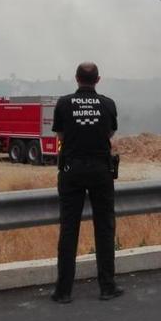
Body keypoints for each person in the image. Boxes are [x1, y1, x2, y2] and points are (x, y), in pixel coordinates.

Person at [50, 62, 122, 304]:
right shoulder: (108, 104)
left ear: (76, 78)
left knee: (69, 230)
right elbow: (109, 133)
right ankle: (107, 287)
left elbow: (60, 135)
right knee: (104, 228)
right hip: (101, 170)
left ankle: (63, 291)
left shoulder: (63, 103)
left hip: (72, 170)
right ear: (98, 79)